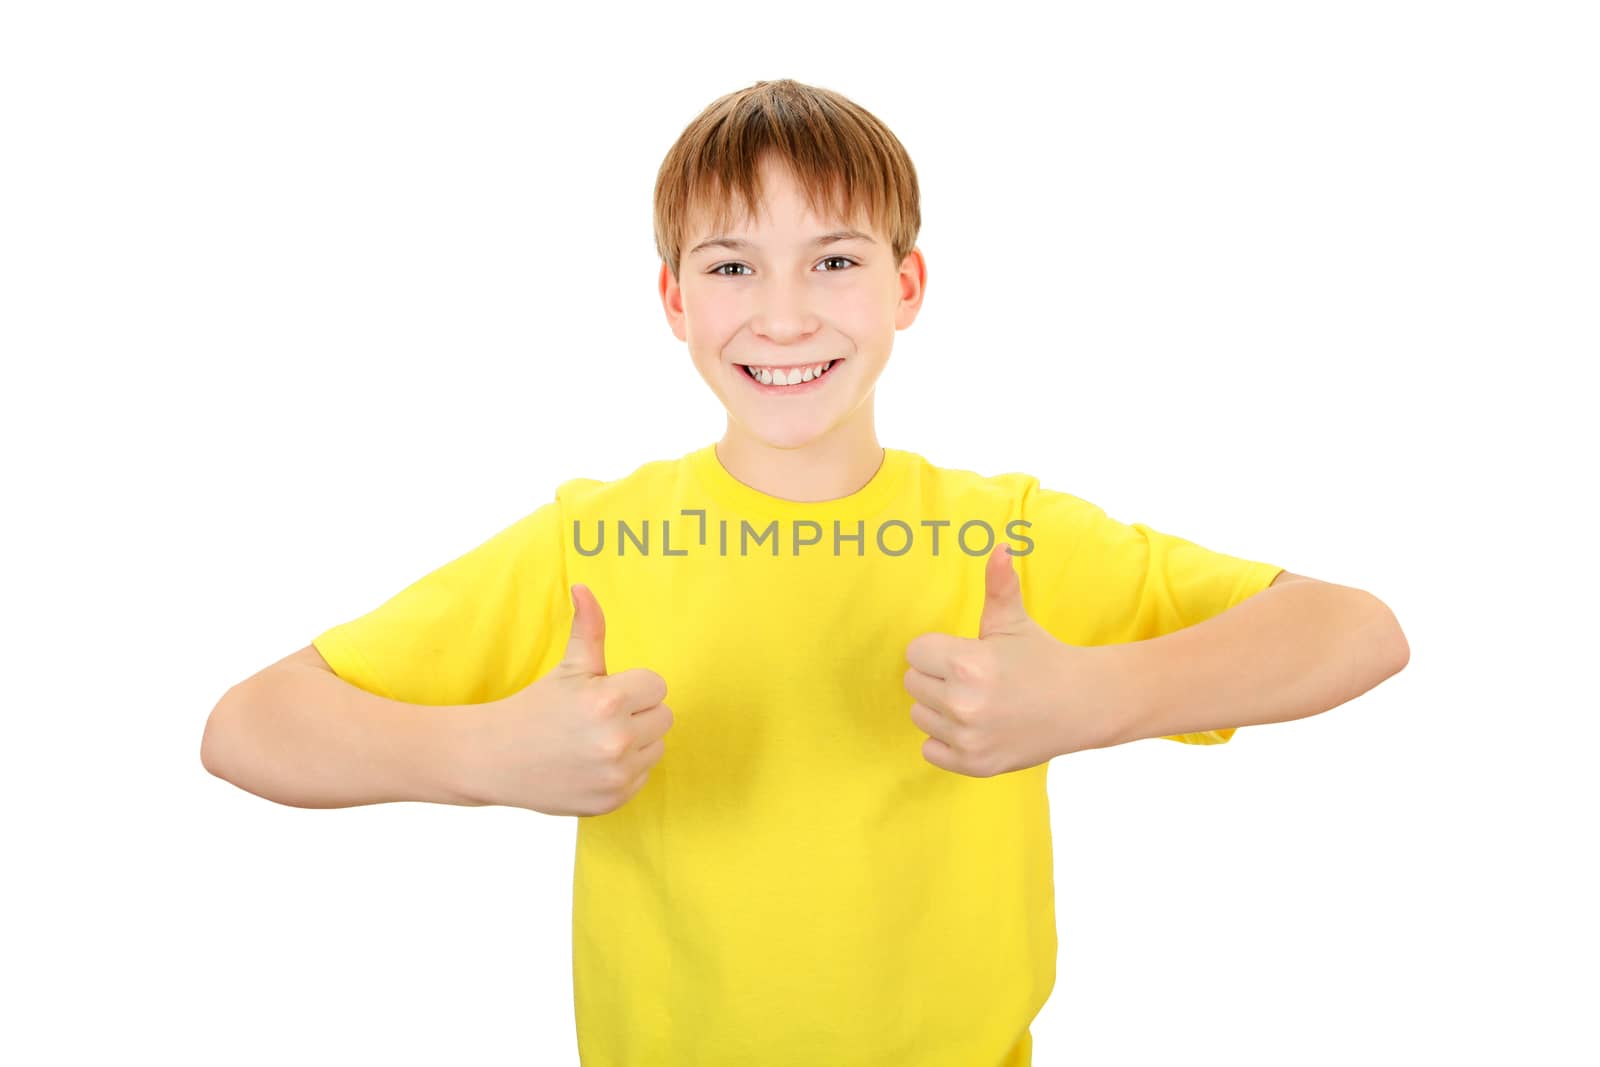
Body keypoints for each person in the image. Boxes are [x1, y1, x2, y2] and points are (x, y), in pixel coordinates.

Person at [200, 78, 1409, 1066]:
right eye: (731, 267)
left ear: (906, 286)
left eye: (832, 262)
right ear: (674, 300)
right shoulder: (594, 540)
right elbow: (251, 725)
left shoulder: (1009, 534)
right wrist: (478, 757)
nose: (782, 315)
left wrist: (1094, 700)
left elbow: (1352, 630)